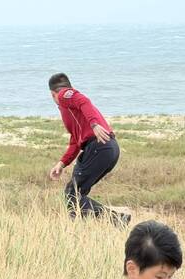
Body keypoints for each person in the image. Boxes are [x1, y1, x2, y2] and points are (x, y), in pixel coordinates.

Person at [47, 73, 127, 224]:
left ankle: (118, 220)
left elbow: (84, 101)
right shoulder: (71, 110)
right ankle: (84, 227)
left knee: (72, 195)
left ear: (53, 94)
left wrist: (94, 124)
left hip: (99, 146)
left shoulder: (64, 95)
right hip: (109, 148)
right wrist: (62, 163)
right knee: (76, 194)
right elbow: (75, 141)